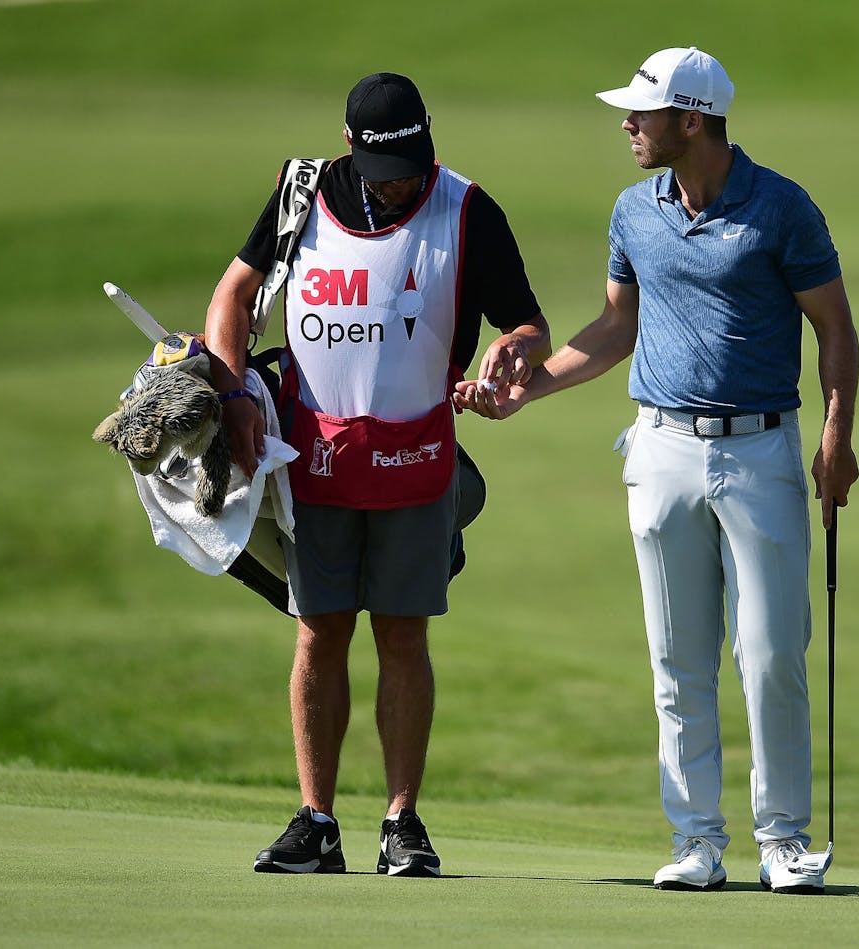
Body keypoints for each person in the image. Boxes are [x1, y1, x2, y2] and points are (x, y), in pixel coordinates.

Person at [454, 47, 859, 894]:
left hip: (760, 448)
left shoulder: (781, 208)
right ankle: (697, 840)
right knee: (677, 658)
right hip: (661, 447)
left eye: (643, 113)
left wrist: (835, 436)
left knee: (772, 652)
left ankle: (783, 840)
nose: (627, 126)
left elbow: (835, 329)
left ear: (694, 119)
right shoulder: (635, 213)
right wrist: (529, 392)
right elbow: (613, 330)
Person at [206, 72, 551, 878]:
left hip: (416, 458)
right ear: (351, 149)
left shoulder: (466, 208)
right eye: (386, 171)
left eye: (413, 165)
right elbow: (232, 296)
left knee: (403, 632)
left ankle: (401, 820)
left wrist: (514, 353)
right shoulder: (302, 192)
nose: (401, 186)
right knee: (320, 631)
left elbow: (527, 323)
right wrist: (232, 396)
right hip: (311, 456)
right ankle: (316, 820)